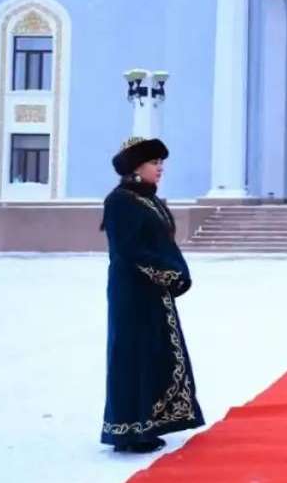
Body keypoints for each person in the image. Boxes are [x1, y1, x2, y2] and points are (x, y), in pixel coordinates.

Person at [99, 137, 204, 453]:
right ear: (135, 166)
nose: (160, 169)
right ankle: (129, 430)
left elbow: (163, 244)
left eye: (161, 163)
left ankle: (150, 422)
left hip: (154, 290)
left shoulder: (150, 199)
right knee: (133, 354)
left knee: (155, 352)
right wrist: (169, 272)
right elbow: (129, 249)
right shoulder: (120, 201)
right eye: (154, 163)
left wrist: (176, 271)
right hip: (132, 290)